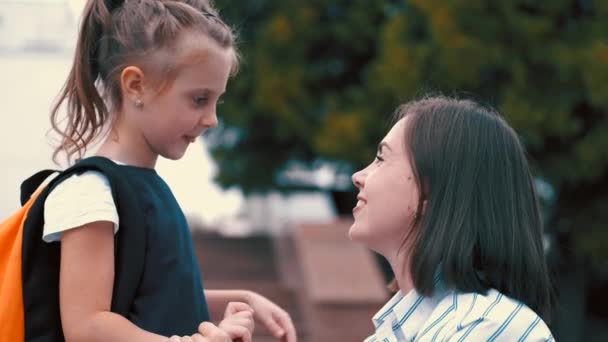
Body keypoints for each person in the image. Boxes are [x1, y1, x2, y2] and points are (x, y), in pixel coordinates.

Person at [41, 1, 295, 341]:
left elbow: (152, 297)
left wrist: (238, 299)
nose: (212, 119)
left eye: (217, 101)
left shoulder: (143, 186)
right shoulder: (91, 192)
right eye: (199, 99)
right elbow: (87, 326)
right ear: (135, 86)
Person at [350, 96, 555, 341]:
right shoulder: (393, 333)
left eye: (381, 159)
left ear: (433, 192)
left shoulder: (488, 325)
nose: (358, 176)